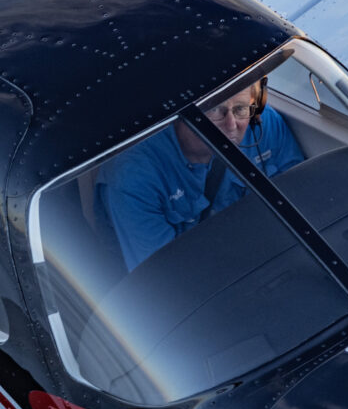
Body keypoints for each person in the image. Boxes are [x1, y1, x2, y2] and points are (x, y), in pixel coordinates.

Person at [98, 79, 305, 269]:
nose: (232, 125)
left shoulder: (263, 123)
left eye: (240, 109)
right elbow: (162, 278)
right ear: (179, 116)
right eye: (215, 110)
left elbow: (302, 202)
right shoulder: (133, 178)